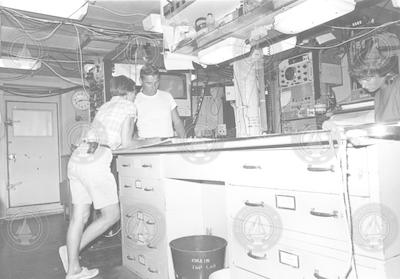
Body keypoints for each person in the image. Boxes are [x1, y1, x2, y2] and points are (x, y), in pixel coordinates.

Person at [59, 75, 136, 279]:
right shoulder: (129, 107)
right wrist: (153, 140)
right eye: (134, 94)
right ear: (130, 93)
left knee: (79, 216)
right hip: (96, 161)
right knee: (111, 215)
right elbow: (127, 143)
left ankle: (73, 267)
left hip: (78, 158)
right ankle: (71, 253)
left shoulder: (104, 107)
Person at [350, 32, 400, 123]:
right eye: (360, 81)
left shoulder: (397, 87)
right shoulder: (378, 94)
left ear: (382, 70)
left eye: (367, 79)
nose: (363, 86)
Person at [134, 64, 186, 138]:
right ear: (140, 81)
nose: (153, 87)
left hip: (168, 144)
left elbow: (177, 122)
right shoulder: (135, 100)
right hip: (147, 147)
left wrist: (183, 140)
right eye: (149, 83)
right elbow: (130, 128)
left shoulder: (167, 96)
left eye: (156, 82)